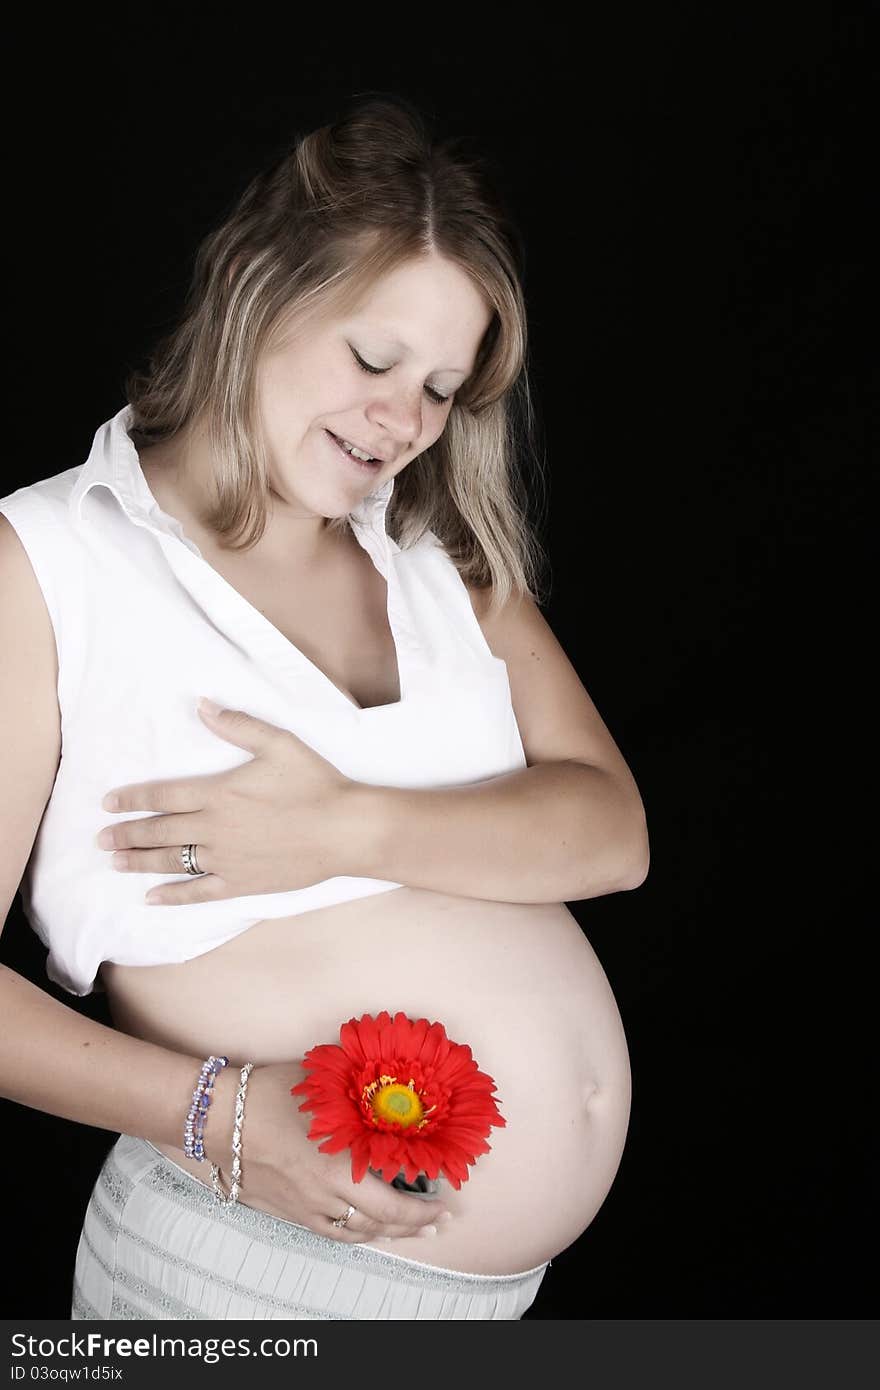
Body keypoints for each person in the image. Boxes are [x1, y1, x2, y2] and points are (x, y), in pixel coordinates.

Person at [0, 95, 648, 1321]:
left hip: (487, 1298)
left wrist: (342, 824)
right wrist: (220, 1114)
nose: (403, 420)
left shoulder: (433, 557)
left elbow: (611, 832)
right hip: (240, 1271)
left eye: (444, 389)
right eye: (373, 359)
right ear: (257, 290)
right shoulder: (50, 561)